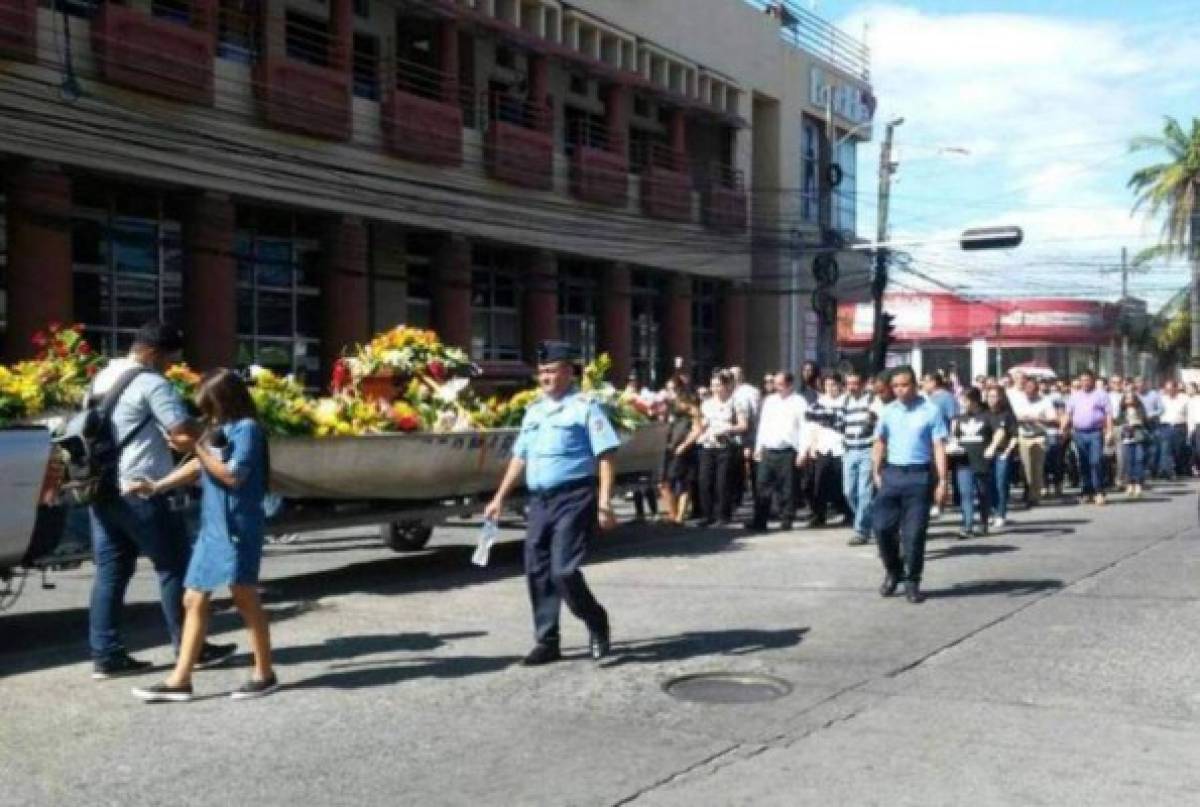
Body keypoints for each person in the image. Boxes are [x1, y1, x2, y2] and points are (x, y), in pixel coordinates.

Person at [87, 321, 235, 680]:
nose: (171, 366)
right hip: (144, 489)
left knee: (110, 572)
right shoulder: (152, 382)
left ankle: (106, 655)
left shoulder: (103, 378)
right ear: (153, 353)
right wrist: (223, 433)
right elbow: (180, 428)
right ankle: (191, 648)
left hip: (101, 489)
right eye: (170, 358)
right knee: (174, 567)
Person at [130, 370, 277, 702]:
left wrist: (198, 447)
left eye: (209, 405)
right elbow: (200, 467)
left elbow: (232, 475)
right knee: (192, 598)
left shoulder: (248, 430)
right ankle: (180, 680)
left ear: (224, 400)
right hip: (213, 527)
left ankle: (264, 673)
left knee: (244, 597)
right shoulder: (220, 429)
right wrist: (157, 486)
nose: (205, 413)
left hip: (237, 525)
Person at [484, 342, 620, 666]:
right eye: (541, 371)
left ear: (569, 371)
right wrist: (499, 497)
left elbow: (606, 456)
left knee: (564, 570)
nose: (544, 376)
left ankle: (595, 620)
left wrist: (604, 502)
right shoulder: (534, 411)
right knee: (537, 569)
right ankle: (547, 640)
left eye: (551, 370)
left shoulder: (586, 408)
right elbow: (520, 457)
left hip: (574, 497)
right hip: (540, 501)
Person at [872, 366, 949, 604]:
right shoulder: (888, 411)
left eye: (904, 385)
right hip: (892, 474)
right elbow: (880, 440)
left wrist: (942, 481)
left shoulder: (930, 411)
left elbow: (938, 446)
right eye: (895, 386)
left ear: (914, 385)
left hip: (919, 476)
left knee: (914, 534)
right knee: (882, 528)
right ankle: (893, 570)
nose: (899, 390)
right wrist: (876, 469)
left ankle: (913, 581)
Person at [749, 371, 808, 532]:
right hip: (768, 449)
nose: (777, 387)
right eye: (776, 384)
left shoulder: (799, 402)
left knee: (787, 487)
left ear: (789, 385)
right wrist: (758, 447)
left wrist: (803, 452)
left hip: (788, 451)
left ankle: (786, 519)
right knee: (762, 485)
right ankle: (759, 520)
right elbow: (763, 425)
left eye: (780, 384)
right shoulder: (769, 401)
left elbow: (805, 428)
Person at [695, 370, 748, 526]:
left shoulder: (735, 402)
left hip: (726, 445)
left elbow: (743, 425)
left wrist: (728, 429)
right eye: (713, 385)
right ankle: (707, 514)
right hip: (708, 444)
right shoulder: (707, 404)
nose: (715, 388)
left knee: (722, 482)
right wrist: (701, 429)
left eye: (718, 385)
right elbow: (703, 423)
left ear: (726, 386)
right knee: (704, 481)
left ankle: (723, 515)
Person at [951, 387, 1005, 539]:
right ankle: (967, 526)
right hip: (963, 461)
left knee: (983, 493)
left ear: (974, 401)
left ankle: (983, 523)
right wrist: (953, 445)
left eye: (965, 400)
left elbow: (1000, 432)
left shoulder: (987, 416)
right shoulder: (960, 418)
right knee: (966, 493)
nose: (963, 403)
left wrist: (992, 447)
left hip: (981, 460)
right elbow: (955, 437)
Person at [805, 374, 852, 528]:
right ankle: (818, 514)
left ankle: (848, 513)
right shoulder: (818, 404)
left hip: (841, 447)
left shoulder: (847, 402)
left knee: (842, 481)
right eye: (827, 385)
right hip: (823, 447)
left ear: (840, 385)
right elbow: (812, 427)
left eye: (833, 384)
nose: (830, 388)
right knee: (819, 482)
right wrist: (812, 446)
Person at [1063, 369, 1113, 506]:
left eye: (1087, 380)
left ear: (1092, 380)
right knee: (1083, 463)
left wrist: (1109, 432)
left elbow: (1108, 415)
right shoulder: (1074, 396)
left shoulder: (1101, 395)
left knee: (1095, 461)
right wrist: (1063, 429)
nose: (1085, 382)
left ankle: (1099, 491)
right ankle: (1087, 490)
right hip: (1079, 433)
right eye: (1082, 380)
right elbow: (1068, 414)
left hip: (1095, 432)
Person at [840, 371, 877, 546]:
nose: (852, 387)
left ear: (861, 384)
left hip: (866, 450)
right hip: (849, 451)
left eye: (855, 383)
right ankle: (871, 521)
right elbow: (840, 424)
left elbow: (878, 423)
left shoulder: (871, 401)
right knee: (848, 492)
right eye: (849, 384)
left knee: (865, 493)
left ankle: (861, 531)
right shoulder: (844, 401)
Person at [659, 393, 702, 524]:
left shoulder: (693, 413)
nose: (677, 403)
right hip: (670, 451)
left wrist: (684, 445)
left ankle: (679, 516)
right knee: (665, 483)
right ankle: (672, 514)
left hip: (683, 452)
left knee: (683, 484)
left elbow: (697, 431)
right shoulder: (675, 414)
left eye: (679, 401)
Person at [1014, 377, 1057, 506]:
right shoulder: (1018, 400)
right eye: (1027, 389)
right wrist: (1022, 419)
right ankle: (1028, 489)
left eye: (1032, 389)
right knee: (1025, 468)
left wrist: (1039, 419)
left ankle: (1033, 496)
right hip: (1023, 436)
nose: (1029, 391)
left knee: (1036, 468)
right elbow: (1012, 417)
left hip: (1039, 436)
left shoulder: (1045, 401)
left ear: (1036, 390)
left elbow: (1053, 419)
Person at [986, 386, 1018, 528]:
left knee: (1001, 483)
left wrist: (1008, 451)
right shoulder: (985, 414)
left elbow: (1014, 436)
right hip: (987, 454)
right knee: (989, 484)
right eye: (989, 396)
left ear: (1001, 398)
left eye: (994, 396)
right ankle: (991, 511)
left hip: (1002, 452)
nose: (991, 399)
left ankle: (1001, 513)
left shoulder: (1007, 415)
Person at [1115, 389, 1151, 498]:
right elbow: (1118, 421)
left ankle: (1138, 484)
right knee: (1128, 462)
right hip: (1127, 438)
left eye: (1131, 398)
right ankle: (1130, 484)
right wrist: (1125, 425)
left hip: (1139, 437)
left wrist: (1137, 422)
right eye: (1126, 398)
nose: (1128, 400)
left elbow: (1145, 421)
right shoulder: (1122, 411)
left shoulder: (1140, 409)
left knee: (1139, 460)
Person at [1159, 379, 1188, 480]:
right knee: (1166, 449)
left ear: (1176, 389)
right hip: (1165, 427)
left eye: (1171, 389)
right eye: (1167, 389)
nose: (1169, 391)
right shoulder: (1162, 399)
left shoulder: (1184, 399)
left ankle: (1177, 468)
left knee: (1177, 450)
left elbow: (1190, 414)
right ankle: (1168, 471)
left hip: (1179, 427)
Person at [1136, 376, 1164, 478]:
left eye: (1142, 384)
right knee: (1141, 449)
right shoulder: (1134, 395)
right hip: (1140, 426)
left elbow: (1161, 409)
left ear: (1146, 384)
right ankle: (1142, 470)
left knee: (1154, 449)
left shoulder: (1154, 394)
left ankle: (1153, 469)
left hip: (1152, 425)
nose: (1140, 386)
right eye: (1138, 384)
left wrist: (1152, 414)